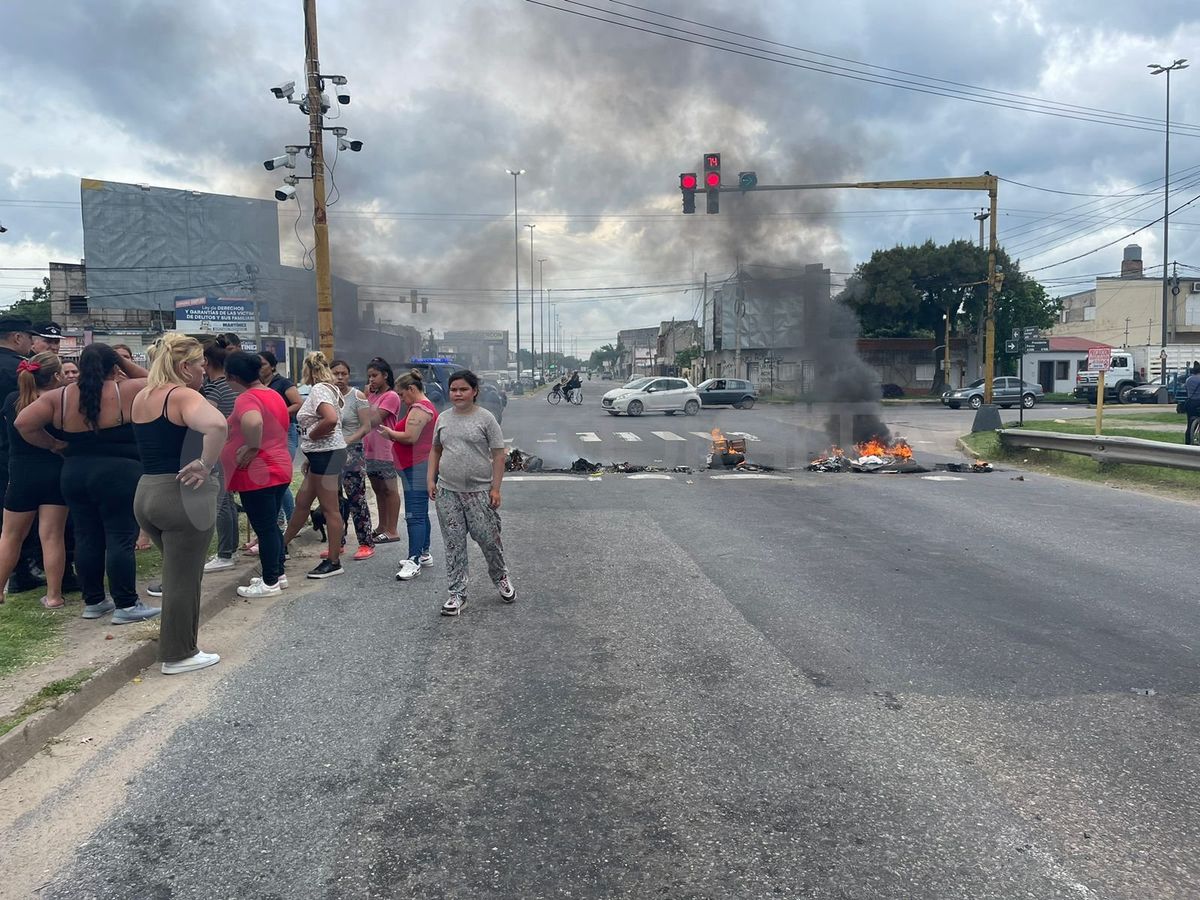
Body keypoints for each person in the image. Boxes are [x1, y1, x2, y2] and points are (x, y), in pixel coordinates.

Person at [16, 343, 158, 623]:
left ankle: (93, 601)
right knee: (120, 537)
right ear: (114, 366)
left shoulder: (61, 397)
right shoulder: (127, 390)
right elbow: (160, 382)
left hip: (75, 471)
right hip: (120, 471)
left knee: (86, 536)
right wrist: (124, 363)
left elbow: (23, 423)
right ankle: (126, 604)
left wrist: (54, 443)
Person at [131, 334, 227, 675]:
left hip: (146, 492)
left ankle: (179, 647)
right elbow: (217, 424)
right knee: (184, 580)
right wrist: (206, 463)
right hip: (180, 494)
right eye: (201, 364)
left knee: (176, 575)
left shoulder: (143, 394)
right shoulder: (182, 394)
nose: (204, 371)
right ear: (185, 367)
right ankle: (179, 654)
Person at [427, 369, 514, 617]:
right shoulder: (443, 418)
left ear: (474, 391)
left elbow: (498, 455)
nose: (457, 394)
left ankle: (501, 577)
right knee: (453, 543)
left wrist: (495, 489)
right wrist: (430, 479)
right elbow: (435, 450)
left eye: (463, 389)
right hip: (447, 491)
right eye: (454, 389)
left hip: (478, 491)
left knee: (488, 539)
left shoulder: (486, 419)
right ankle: (457, 593)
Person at [0, 354, 68, 608]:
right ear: (55, 376)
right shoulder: (60, 401)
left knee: (10, 535)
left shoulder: (12, 400)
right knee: (52, 536)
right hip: (55, 471)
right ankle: (54, 596)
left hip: (21, 473)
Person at [223, 351, 292, 598]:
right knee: (271, 525)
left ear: (232, 376)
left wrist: (252, 446)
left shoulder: (246, 398)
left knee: (264, 528)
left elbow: (254, 423)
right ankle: (277, 573)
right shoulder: (272, 394)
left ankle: (270, 581)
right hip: (279, 466)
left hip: (258, 472)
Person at [281, 352, 347, 579]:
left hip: (327, 455)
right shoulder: (331, 388)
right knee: (302, 502)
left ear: (307, 370)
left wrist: (310, 435)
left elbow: (329, 420)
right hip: (322, 455)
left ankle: (334, 560)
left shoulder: (319, 389)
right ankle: (280, 546)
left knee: (330, 509)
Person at [381, 369, 438, 581]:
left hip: (418, 466)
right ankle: (423, 553)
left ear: (411, 389)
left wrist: (389, 434)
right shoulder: (421, 407)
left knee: (414, 514)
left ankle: (414, 559)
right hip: (415, 466)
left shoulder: (420, 408)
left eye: (402, 395)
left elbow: (410, 437)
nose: (402, 400)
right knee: (420, 512)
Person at [0, 316, 42, 595]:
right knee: (25, 514)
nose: (31, 342)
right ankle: (23, 570)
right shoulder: (19, 369)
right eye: (29, 337)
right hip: (15, 448)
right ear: (17, 338)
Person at [200, 337, 239, 571]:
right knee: (229, 501)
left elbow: (208, 419)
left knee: (222, 501)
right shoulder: (230, 385)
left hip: (221, 449)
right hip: (233, 447)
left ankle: (225, 554)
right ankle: (230, 549)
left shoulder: (214, 388)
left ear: (206, 361)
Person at [330, 360, 374, 561]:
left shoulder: (357, 396)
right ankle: (337, 543)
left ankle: (365, 542)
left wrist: (347, 440)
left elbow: (366, 426)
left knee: (356, 498)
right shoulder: (325, 396)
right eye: (336, 373)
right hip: (329, 452)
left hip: (352, 452)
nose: (340, 378)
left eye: (344, 374)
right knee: (333, 499)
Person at [259, 351, 301, 529]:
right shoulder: (258, 385)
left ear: (273, 366)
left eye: (263, 364)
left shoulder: (283, 383)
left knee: (279, 477)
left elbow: (298, 404)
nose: (259, 368)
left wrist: (279, 413)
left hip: (286, 432)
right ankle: (281, 520)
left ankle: (292, 521)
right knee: (272, 478)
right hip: (267, 435)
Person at [363, 357, 402, 542]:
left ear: (385, 375)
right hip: (369, 450)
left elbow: (373, 420)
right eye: (369, 376)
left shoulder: (391, 396)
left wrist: (363, 401)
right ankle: (382, 526)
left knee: (390, 490)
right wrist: (365, 397)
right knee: (378, 489)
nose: (371, 379)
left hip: (385, 451)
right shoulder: (371, 395)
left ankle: (392, 530)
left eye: (375, 375)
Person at [1184, 362, 1200, 445]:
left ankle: (1188, 442)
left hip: (1190, 403)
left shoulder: (1188, 379)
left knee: (1189, 424)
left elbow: (1187, 391)